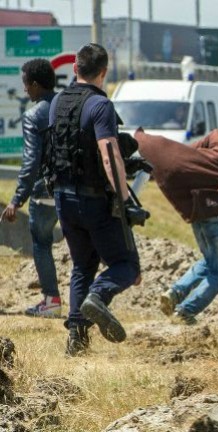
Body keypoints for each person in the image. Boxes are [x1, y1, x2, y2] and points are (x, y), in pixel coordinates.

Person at [133, 96, 218, 324]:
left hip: (198, 206)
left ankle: (175, 292)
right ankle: (186, 311)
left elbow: (191, 156)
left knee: (210, 261)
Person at [46, 43, 141, 356]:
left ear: (75, 68)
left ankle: (76, 340)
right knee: (125, 265)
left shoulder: (58, 101)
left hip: (62, 197)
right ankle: (98, 297)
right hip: (94, 200)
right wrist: (125, 199)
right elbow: (109, 153)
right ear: (104, 71)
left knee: (82, 265)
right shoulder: (101, 106)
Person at [0, 59, 60, 318]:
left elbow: (31, 161)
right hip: (74, 189)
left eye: (25, 84)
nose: (24, 90)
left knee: (42, 243)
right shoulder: (66, 106)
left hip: (45, 192)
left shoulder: (33, 115)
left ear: (35, 85)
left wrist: (17, 199)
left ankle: (51, 300)